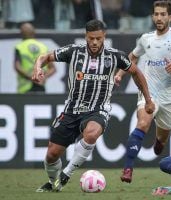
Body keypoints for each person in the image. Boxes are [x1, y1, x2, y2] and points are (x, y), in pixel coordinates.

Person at [33, 19, 155, 192]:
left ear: (104, 36)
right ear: (86, 37)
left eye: (98, 38)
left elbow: (136, 72)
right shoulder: (73, 52)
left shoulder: (115, 56)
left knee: (91, 133)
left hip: (98, 109)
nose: (95, 42)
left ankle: (66, 174)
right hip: (72, 110)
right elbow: (45, 56)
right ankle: (54, 184)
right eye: (91, 38)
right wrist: (38, 67)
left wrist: (148, 100)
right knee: (51, 155)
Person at [114, 0, 171, 183]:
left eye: (163, 14)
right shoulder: (146, 39)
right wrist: (120, 74)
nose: (159, 18)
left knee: (161, 141)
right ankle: (128, 169)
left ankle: (159, 140)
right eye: (156, 14)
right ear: (152, 16)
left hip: (170, 96)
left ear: (170, 17)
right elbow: (133, 57)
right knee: (143, 123)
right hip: (149, 92)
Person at [15, 23, 56, 93]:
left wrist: (31, 78)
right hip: (40, 86)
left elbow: (17, 67)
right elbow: (53, 68)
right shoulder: (43, 47)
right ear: (34, 33)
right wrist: (43, 78)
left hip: (25, 88)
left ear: (21, 33)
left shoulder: (20, 47)